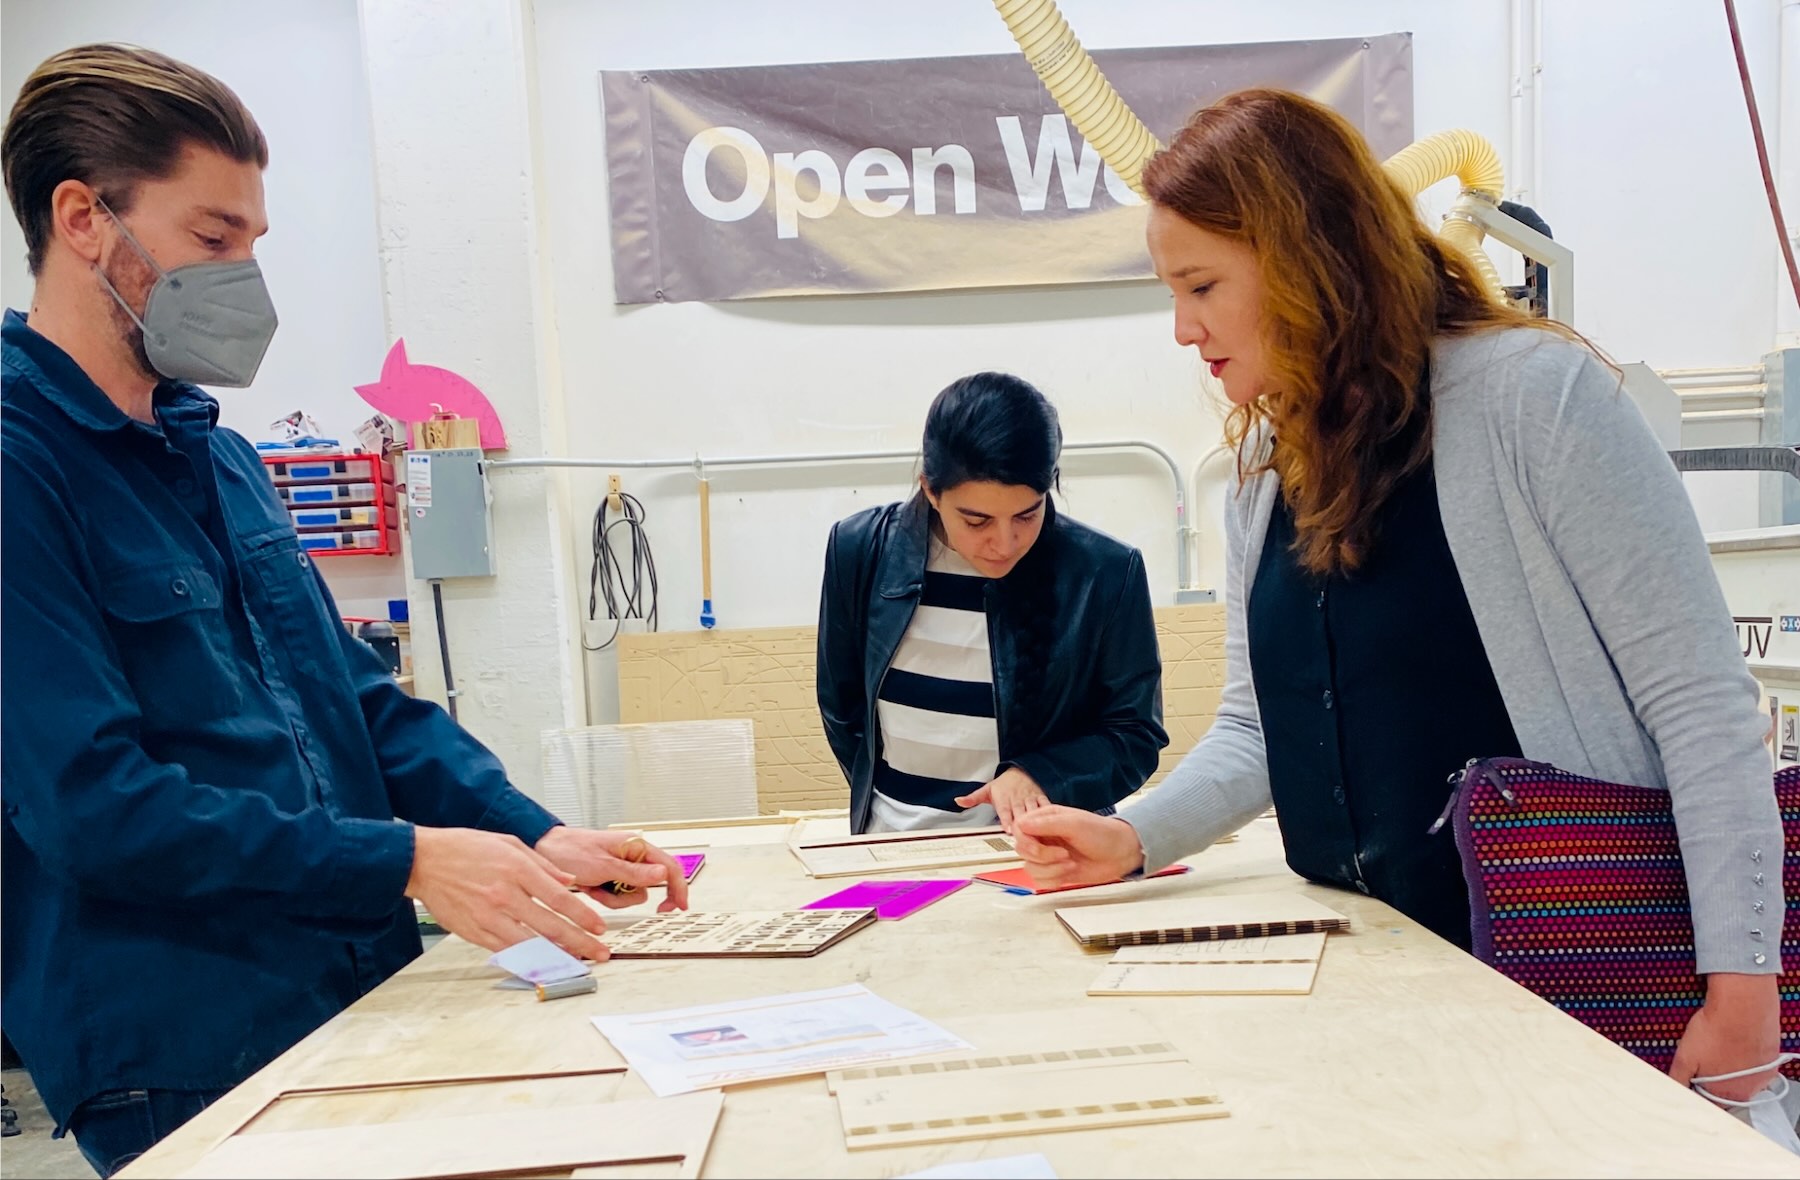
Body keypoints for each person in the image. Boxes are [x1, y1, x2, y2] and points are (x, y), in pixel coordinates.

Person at [1010, 89, 1782, 1107]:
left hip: (1579, 1006)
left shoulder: (1535, 402)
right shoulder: (1261, 476)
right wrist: (1138, 834)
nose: (1182, 328)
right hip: (1378, 996)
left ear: (1305, 259)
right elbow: (1259, 729)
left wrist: (1744, 998)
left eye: (1200, 285)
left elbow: (1703, 710)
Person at [0, 45, 689, 1177]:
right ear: (83, 219)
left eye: (253, 246)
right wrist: (410, 861)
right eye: (213, 240)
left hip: (347, 981)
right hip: (183, 1035)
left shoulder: (216, 456)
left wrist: (531, 832)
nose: (244, 279)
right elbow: (93, 807)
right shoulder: (22, 469)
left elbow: (360, 705)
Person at [816, 371, 1168, 835]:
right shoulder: (861, 549)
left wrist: (1039, 775)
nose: (1004, 543)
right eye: (976, 519)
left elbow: (1135, 734)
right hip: (890, 843)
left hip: (1042, 847)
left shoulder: (1104, 571)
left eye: (1027, 513)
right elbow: (843, 711)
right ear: (930, 489)